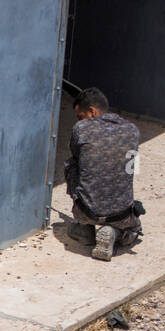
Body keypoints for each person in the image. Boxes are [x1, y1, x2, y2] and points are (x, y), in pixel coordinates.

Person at [64, 86, 143, 261]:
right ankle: (115, 232)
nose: (79, 120)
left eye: (80, 116)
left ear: (92, 111)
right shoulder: (132, 130)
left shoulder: (81, 129)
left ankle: (85, 227)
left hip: (87, 210)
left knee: (71, 164)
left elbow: (78, 159)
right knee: (134, 230)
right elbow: (132, 170)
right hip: (122, 213)